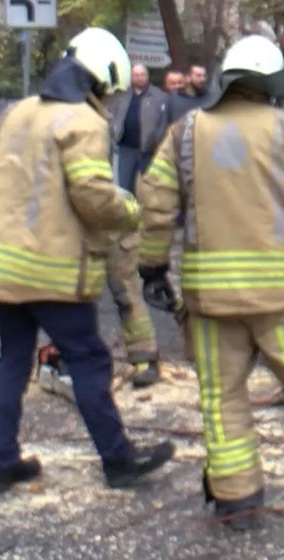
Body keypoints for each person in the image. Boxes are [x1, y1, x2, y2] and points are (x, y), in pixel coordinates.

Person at [136, 35, 284, 531]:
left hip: (210, 304)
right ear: (272, 84)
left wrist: (152, 267)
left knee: (222, 399)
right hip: (283, 302)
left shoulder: (186, 132)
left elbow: (154, 203)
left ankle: (237, 503)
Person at [0, 27, 175, 495]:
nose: (111, 102)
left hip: (4, 266)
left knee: (13, 359)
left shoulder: (18, 112)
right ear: (99, 82)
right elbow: (93, 196)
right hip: (51, 270)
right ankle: (119, 460)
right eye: (110, 92)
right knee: (89, 360)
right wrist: (131, 210)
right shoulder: (83, 122)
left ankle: (1, 463)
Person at [105, 64, 169, 387]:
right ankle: (143, 357)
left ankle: (145, 356)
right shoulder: (101, 114)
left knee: (124, 286)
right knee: (124, 288)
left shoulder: (156, 98)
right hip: (101, 214)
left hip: (103, 215)